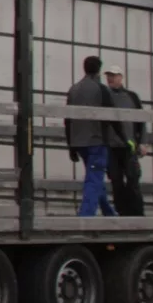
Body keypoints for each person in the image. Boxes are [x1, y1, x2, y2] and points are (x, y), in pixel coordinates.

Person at [65, 55, 117, 217]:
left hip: (78, 142)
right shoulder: (101, 89)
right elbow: (113, 118)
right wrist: (122, 137)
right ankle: (85, 216)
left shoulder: (73, 89)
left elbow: (67, 119)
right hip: (96, 141)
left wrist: (71, 146)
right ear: (99, 70)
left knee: (95, 177)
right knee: (93, 180)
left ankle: (109, 212)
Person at [103, 66, 147, 218]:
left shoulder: (132, 97)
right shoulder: (104, 97)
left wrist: (142, 142)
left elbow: (141, 121)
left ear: (121, 77)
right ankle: (121, 214)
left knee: (133, 179)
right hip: (111, 147)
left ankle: (137, 214)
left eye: (113, 75)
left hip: (129, 146)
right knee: (116, 181)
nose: (110, 78)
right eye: (108, 75)